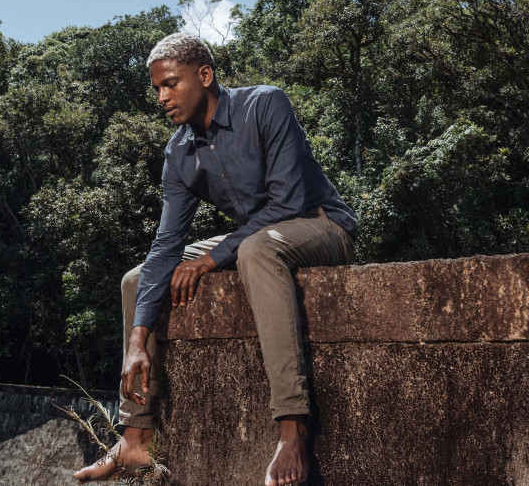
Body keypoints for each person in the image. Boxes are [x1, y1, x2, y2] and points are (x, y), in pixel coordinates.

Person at [74, 32, 356, 486]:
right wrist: (136, 341)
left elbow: (286, 202)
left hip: (319, 224)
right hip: (255, 237)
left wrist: (207, 263)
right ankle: (135, 438)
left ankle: (292, 429)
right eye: (157, 89)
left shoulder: (265, 104)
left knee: (255, 249)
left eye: (171, 84)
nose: (162, 97)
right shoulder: (178, 152)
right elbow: (168, 244)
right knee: (137, 279)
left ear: (204, 76)